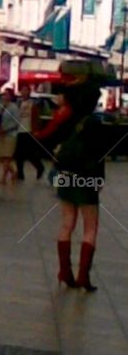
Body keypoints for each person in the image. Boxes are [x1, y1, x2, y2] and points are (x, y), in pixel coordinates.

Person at [40, 81, 105, 291]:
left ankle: (64, 271)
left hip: (66, 175)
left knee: (67, 223)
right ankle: (83, 276)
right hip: (87, 178)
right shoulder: (95, 123)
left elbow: (54, 142)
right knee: (90, 227)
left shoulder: (68, 119)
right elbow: (99, 155)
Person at [15, 82, 45, 181]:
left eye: (26, 90)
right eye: (22, 90)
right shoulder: (19, 103)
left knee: (29, 153)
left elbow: (37, 118)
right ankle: (20, 174)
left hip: (29, 130)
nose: (24, 92)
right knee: (19, 154)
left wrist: (36, 130)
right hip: (20, 130)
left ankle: (39, 167)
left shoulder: (33, 103)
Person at [0, 85, 20, 185]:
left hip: (10, 135)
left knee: (7, 157)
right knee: (1, 157)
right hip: (0, 134)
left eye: (6, 94)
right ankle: (14, 172)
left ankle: (3, 178)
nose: (4, 96)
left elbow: (16, 123)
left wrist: (5, 130)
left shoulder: (14, 107)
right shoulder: (1, 106)